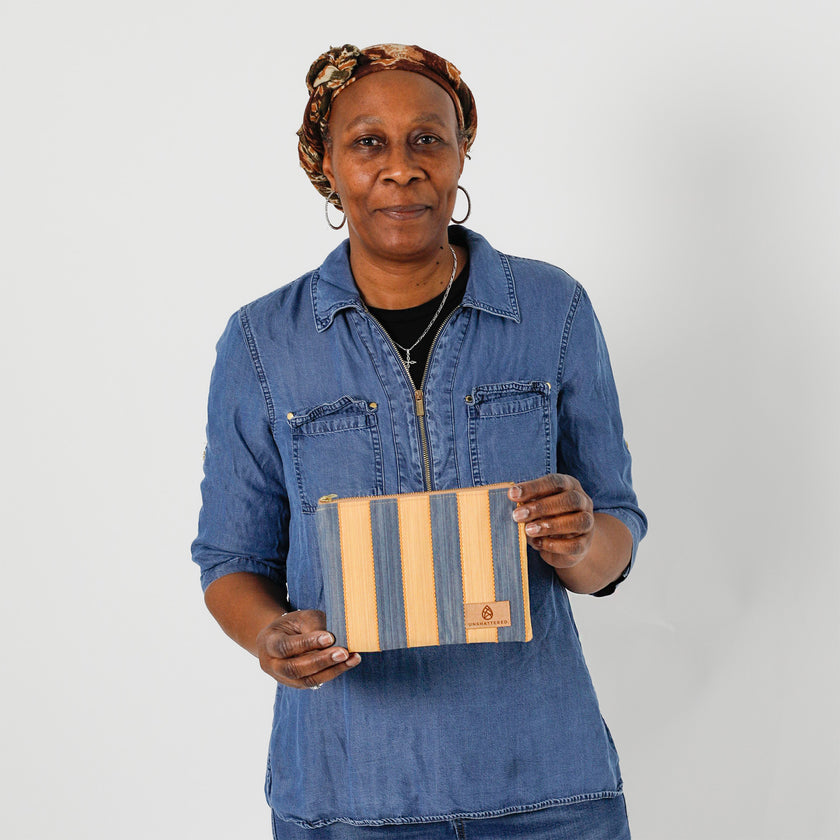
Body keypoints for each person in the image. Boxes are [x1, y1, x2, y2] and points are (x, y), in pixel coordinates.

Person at [192, 43, 647, 839]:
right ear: (326, 165)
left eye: (427, 139)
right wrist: (270, 636)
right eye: (369, 143)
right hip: (348, 796)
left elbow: (614, 534)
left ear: (461, 153)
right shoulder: (264, 342)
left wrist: (581, 541)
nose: (400, 167)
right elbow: (231, 559)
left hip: (547, 792)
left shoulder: (553, 309)